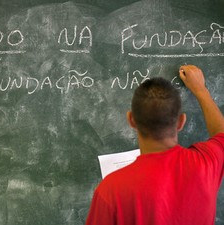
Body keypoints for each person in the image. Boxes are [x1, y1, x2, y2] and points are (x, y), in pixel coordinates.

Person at [85, 65, 224, 225]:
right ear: (181, 122)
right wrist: (201, 90)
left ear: (131, 120)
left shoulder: (111, 190)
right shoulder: (205, 165)